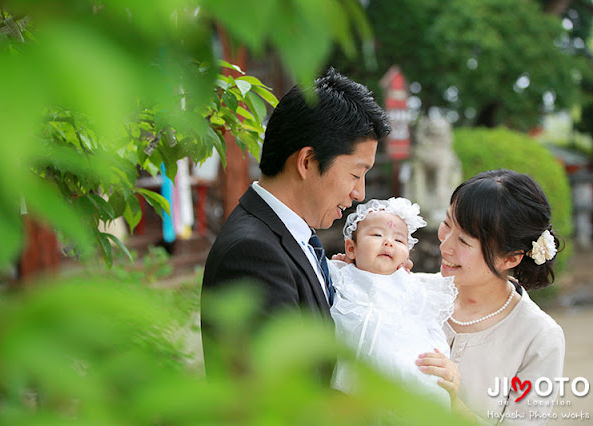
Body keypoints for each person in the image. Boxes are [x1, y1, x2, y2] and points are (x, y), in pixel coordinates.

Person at [201, 69, 391, 380]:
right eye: (356, 174)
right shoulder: (251, 254)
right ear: (307, 162)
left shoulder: (292, 239)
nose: (360, 193)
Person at [416, 169, 565, 424]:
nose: (445, 245)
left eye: (463, 241)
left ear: (510, 258)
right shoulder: (411, 292)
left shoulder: (539, 337)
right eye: (447, 224)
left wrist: (454, 404)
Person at [328, 198, 457, 406]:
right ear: (351, 249)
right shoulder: (342, 275)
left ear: (406, 255)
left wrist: (441, 355)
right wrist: (337, 266)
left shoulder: (412, 286)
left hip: (403, 367)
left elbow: (430, 327)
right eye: (377, 235)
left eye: (399, 240)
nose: (388, 242)